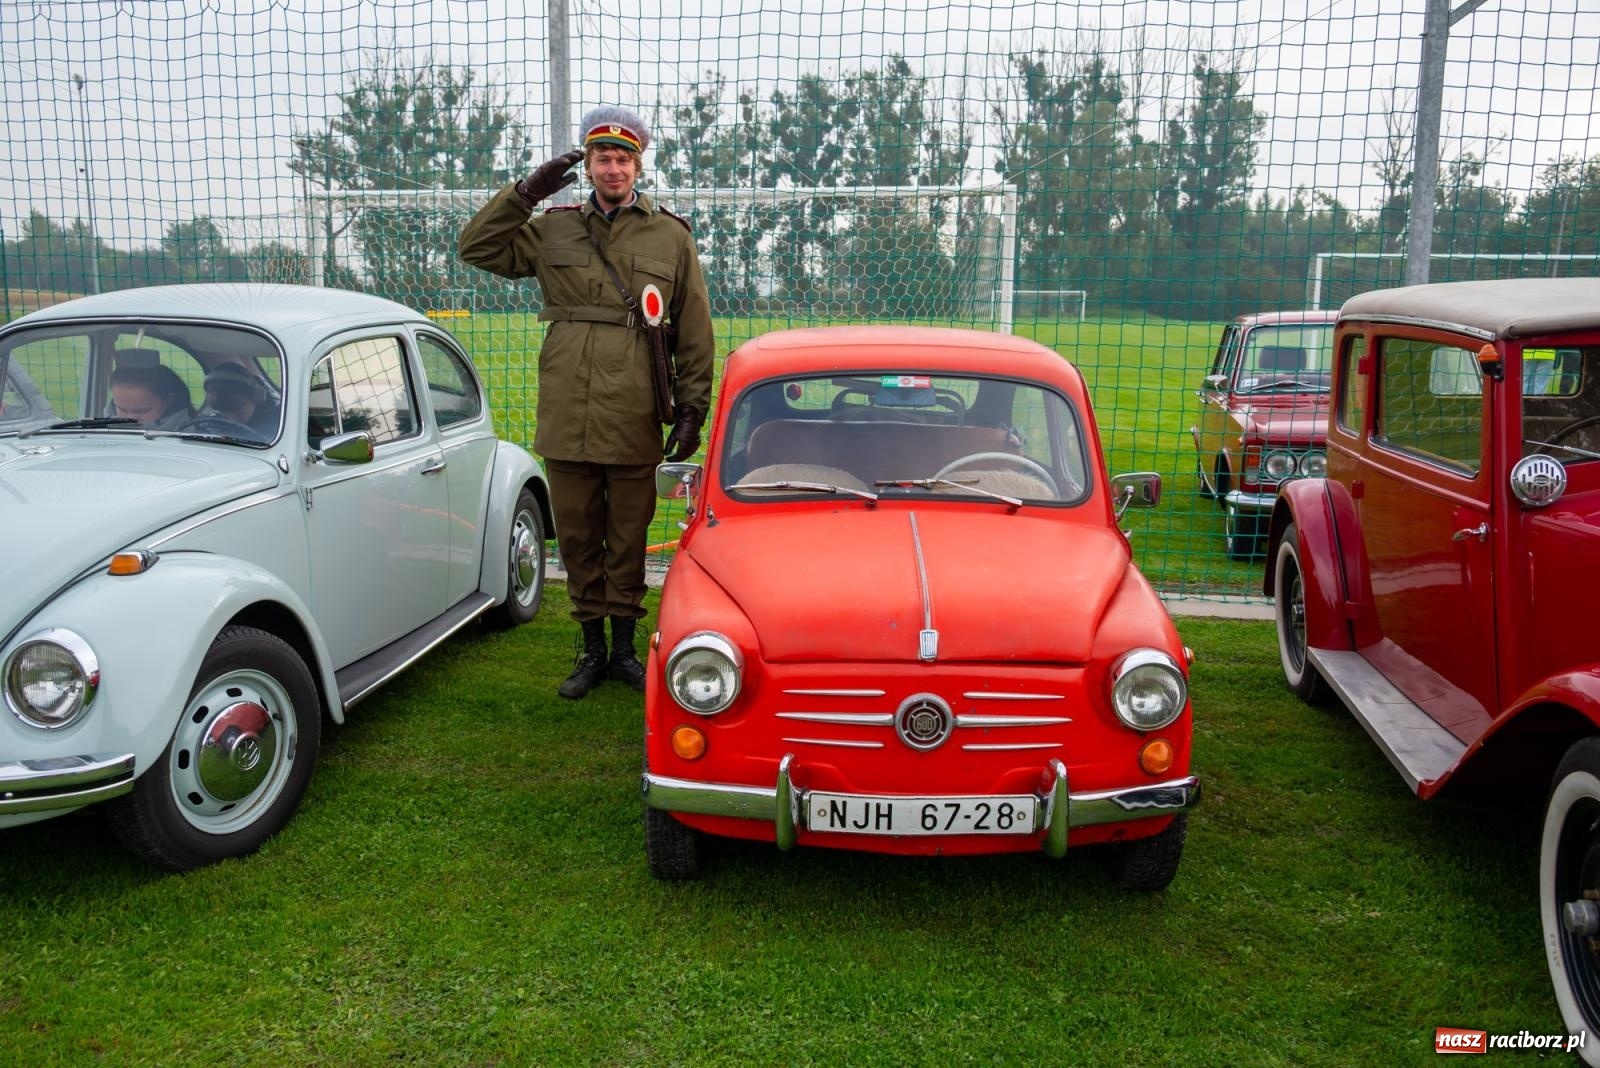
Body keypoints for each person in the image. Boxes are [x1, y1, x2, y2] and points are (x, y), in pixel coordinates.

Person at [458, 104, 714, 700]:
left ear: (638, 164)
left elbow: (694, 328)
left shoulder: (669, 235)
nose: (613, 167)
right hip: (568, 406)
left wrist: (693, 409)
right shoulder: (552, 227)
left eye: (624, 157)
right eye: (603, 156)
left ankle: (624, 647)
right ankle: (590, 647)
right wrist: (523, 193)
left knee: (628, 533)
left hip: (634, 410)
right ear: (589, 163)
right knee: (574, 534)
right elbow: (476, 248)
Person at [197, 362, 280, 439]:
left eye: (237, 409)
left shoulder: (277, 426)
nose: (230, 418)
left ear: (257, 397)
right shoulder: (212, 422)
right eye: (221, 410)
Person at [110, 363, 194, 429]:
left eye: (142, 411)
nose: (131, 418)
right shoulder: (100, 430)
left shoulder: (196, 433)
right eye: (122, 409)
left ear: (167, 401)